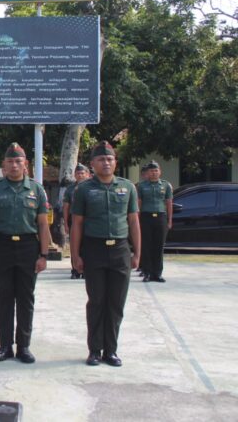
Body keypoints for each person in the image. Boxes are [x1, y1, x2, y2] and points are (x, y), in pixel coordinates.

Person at [71, 141, 140, 367]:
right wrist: (75, 256)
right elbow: (77, 224)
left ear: (115, 162)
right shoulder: (84, 189)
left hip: (120, 250)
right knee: (97, 301)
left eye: (110, 159)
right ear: (93, 164)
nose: (106, 162)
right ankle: (94, 350)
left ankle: (111, 350)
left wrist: (137, 252)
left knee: (116, 303)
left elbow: (133, 222)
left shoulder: (127, 187)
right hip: (94, 249)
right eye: (101, 159)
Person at [0, 143, 52, 364]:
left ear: (25, 164)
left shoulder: (37, 190)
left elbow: (42, 225)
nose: (14, 165)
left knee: (25, 298)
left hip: (28, 248)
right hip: (2, 248)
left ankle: (24, 346)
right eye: (10, 161)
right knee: (4, 299)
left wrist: (44, 255)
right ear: (4, 165)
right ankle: (4, 346)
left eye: (18, 161)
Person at [136, 161, 173, 283]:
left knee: (159, 246)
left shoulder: (166, 185)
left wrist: (169, 220)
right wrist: (137, 219)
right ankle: (146, 272)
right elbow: (139, 203)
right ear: (148, 172)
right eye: (151, 171)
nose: (154, 173)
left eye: (156, 170)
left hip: (160, 217)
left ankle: (157, 273)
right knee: (146, 246)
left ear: (160, 172)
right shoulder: (142, 186)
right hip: (146, 217)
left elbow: (168, 203)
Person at [63, 163, 91, 279]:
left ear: (87, 174)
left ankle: (85, 269)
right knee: (74, 244)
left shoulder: (92, 188)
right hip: (73, 219)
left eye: (82, 173)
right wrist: (65, 223)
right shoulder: (70, 189)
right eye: (78, 173)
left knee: (87, 245)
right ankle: (75, 269)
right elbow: (66, 206)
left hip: (88, 220)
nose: (80, 175)